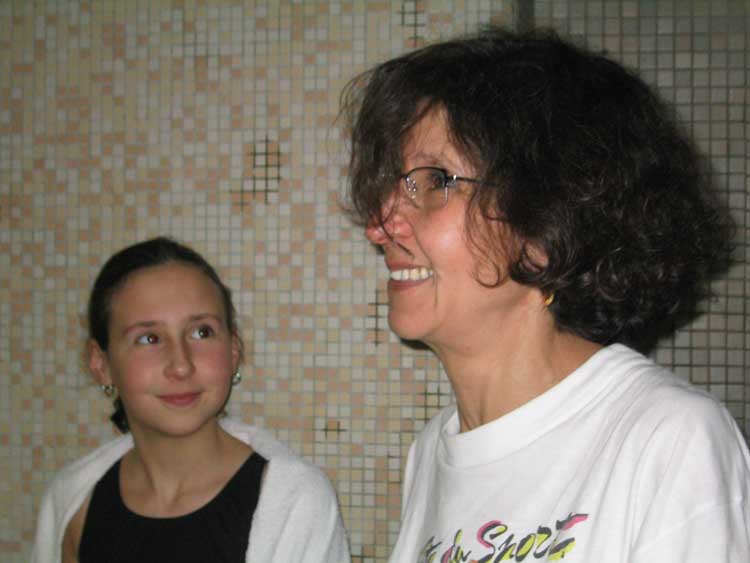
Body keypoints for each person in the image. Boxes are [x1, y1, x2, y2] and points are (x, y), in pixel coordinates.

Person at [342, 27, 750, 562]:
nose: (379, 225)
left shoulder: (668, 441)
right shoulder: (432, 451)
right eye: (392, 186)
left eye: (436, 180)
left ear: (546, 224)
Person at [31, 236, 350, 563]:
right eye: (149, 338)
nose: (181, 365)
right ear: (101, 364)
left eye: (202, 332)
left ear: (233, 350)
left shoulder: (296, 503)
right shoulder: (72, 505)